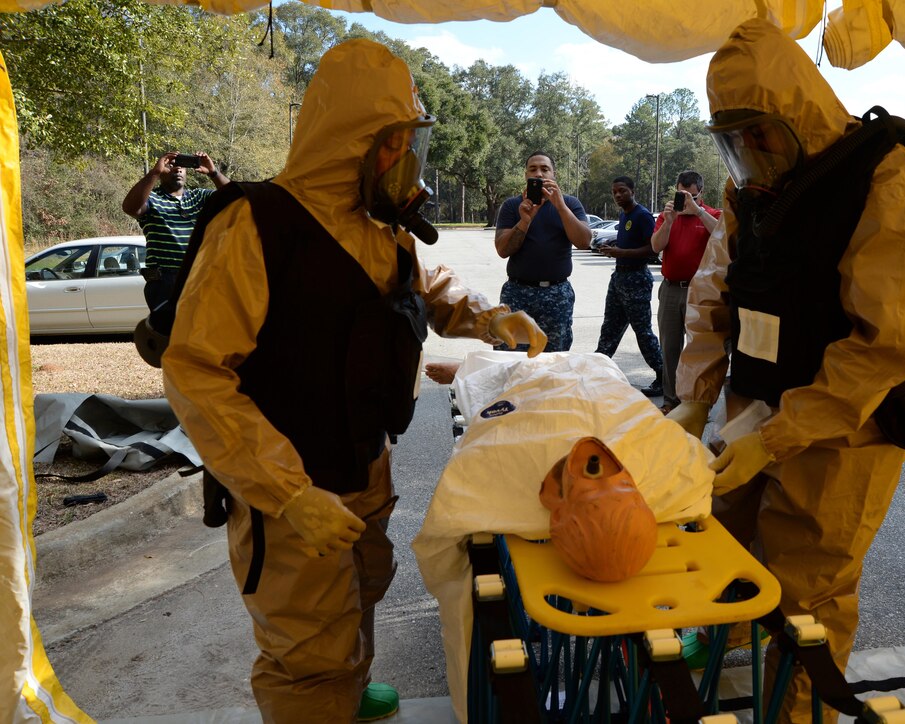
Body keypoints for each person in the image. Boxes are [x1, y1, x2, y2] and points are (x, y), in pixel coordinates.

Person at [161, 38, 546, 724]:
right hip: (291, 489)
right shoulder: (257, 226)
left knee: (364, 587)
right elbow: (196, 374)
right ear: (357, 143)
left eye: (407, 143)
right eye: (395, 143)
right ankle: (322, 702)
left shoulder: (382, 228)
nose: (405, 161)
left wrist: (493, 316)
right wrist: (287, 494)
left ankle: (349, 690)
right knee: (307, 653)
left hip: (366, 463)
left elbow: (426, 289)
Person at [668, 19, 905, 722]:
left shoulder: (892, 178)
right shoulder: (754, 187)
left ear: (794, 112)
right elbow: (715, 290)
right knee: (720, 544)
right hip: (753, 404)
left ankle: (798, 714)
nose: (748, 154)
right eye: (732, 140)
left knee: (808, 597)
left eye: (757, 133)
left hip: (841, 430)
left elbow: (879, 345)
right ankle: (722, 649)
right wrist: (695, 398)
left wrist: (781, 433)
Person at [494, 151, 592, 352]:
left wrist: (561, 207)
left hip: (557, 294)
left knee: (555, 359)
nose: (539, 174)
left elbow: (584, 241)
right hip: (517, 294)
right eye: (533, 169)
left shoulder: (570, 204)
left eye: (544, 169)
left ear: (554, 174)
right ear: (526, 176)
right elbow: (503, 250)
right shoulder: (513, 206)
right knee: (510, 356)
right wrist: (524, 221)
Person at [650, 170, 722, 413]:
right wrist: (669, 221)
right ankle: (671, 401)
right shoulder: (667, 215)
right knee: (669, 348)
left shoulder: (712, 214)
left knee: (699, 351)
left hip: (701, 292)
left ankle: (697, 405)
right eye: (681, 194)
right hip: (671, 288)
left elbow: (724, 237)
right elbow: (656, 246)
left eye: (691, 195)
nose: (686, 200)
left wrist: (698, 212)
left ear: (701, 193)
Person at [121, 150, 229, 311]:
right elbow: (130, 207)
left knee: (200, 333)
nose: (178, 169)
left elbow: (235, 198)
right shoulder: (152, 199)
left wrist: (213, 173)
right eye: (171, 165)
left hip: (199, 277)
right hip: (164, 283)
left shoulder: (199, 197)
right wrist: (154, 172)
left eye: (182, 167)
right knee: (168, 333)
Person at [594, 176, 664, 396]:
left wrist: (621, 253)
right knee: (609, 329)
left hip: (636, 279)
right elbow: (628, 242)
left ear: (633, 191)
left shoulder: (642, 216)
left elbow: (652, 250)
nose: (617, 195)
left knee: (643, 332)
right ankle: (596, 373)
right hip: (619, 278)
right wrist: (614, 245)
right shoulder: (623, 215)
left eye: (622, 191)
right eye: (614, 191)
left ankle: (664, 377)